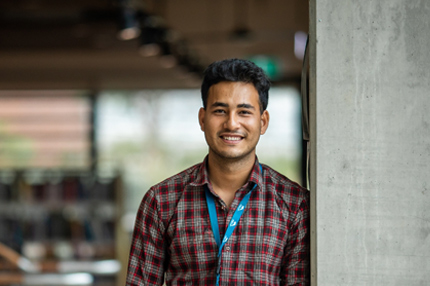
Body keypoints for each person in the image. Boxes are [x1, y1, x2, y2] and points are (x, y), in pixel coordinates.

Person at [126, 58, 310, 285]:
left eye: (244, 112)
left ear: (263, 122)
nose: (232, 124)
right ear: (203, 119)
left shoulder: (295, 205)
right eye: (220, 111)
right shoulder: (161, 201)